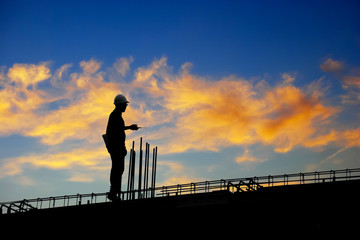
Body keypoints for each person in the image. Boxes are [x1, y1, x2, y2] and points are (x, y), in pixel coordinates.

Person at [105, 94, 139, 201]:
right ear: (120, 105)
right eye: (124, 105)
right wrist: (130, 127)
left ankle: (115, 191)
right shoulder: (114, 115)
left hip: (118, 146)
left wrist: (123, 146)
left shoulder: (117, 115)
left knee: (119, 168)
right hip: (115, 147)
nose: (126, 107)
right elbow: (117, 129)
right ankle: (113, 192)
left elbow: (118, 131)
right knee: (117, 168)